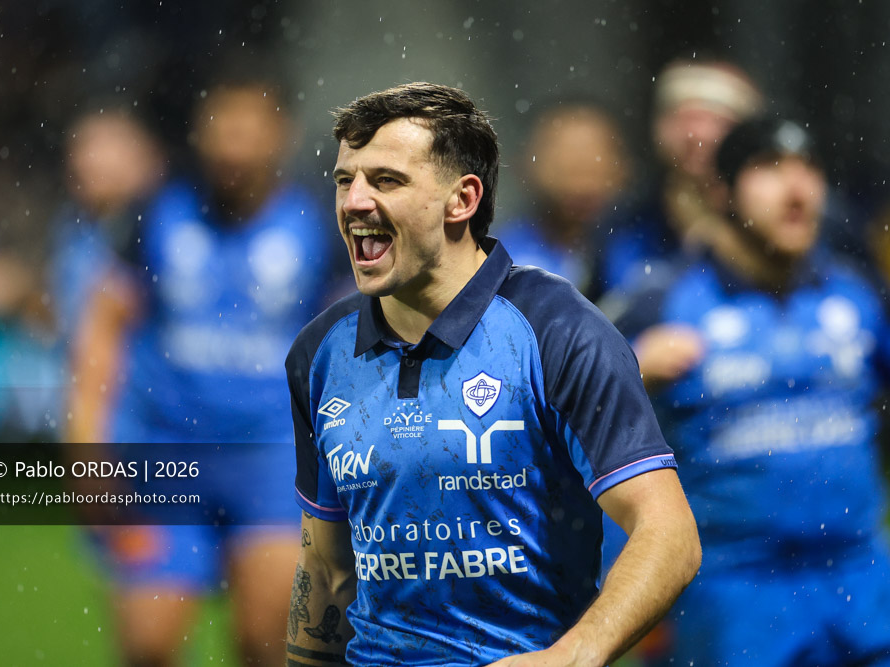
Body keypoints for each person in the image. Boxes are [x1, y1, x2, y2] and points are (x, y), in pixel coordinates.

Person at [284, 82, 701, 666]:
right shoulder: (320, 352)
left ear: (462, 200)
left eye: (386, 180)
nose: (353, 202)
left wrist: (570, 656)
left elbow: (670, 535)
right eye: (344, 180)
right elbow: (327, 569)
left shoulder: (558, 332)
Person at [64, 78, 332, 666]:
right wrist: (85, 441)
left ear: (280, 136)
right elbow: (103, 323)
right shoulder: (155, 212)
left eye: (248, 130)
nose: (232, 147)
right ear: (198, 133)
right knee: (148, 646)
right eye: (220, 128)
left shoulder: (322, 223)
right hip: (167, 452)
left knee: (267, 642)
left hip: (272, 462)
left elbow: (357, 342)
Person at [618, 117, 890, 666]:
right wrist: (631, 372)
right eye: (769, 169)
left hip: (860, 579)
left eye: (808, 169)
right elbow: (562, 423)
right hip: (734, 592)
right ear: (720, 191)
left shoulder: (857, 295)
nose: (797, 189)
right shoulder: (661, 301)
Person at [597, 57, 762, 303]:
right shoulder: (626, 223)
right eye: (683, 119)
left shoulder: (785, 218)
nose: (696, 135)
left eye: (718, 121)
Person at [500, 98, 631, 301]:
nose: (581, 186)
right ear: (526, 167)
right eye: (566, 169)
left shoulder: (647, 258)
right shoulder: (500, 262)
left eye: (593, 169)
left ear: (622, 170)